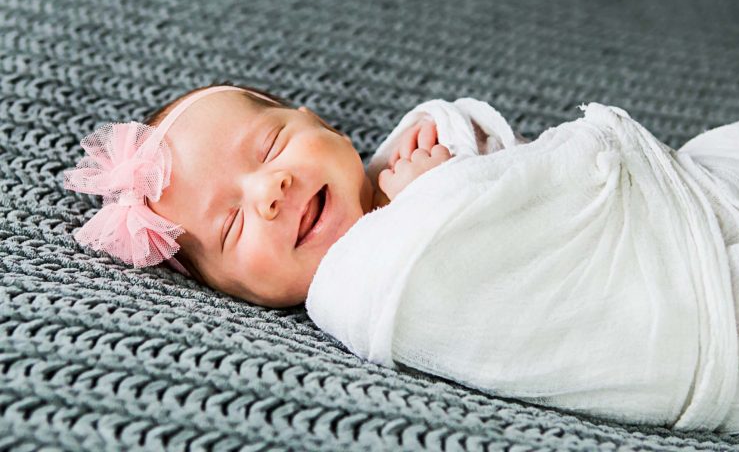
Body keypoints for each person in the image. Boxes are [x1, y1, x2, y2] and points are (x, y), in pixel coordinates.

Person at [63, 82, 456, 308]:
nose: (269, 189)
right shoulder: (356, 307)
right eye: (232, 224)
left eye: (271, 146)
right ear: (234, 292)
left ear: (320, 123)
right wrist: (430, 203)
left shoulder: (425, 144)